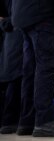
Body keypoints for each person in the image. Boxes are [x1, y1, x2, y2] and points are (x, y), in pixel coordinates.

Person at [11, 0, 54, 137]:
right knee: (46, 69)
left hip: (22, 16)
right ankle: (44, 122)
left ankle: (27, 122)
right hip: (43, 13)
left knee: (30, 72)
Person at [0, 0, 23, 134]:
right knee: (17, 82)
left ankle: (9, 122)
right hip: (16, 40)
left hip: (10, 43)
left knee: (14, 83)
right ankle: (10, 121)